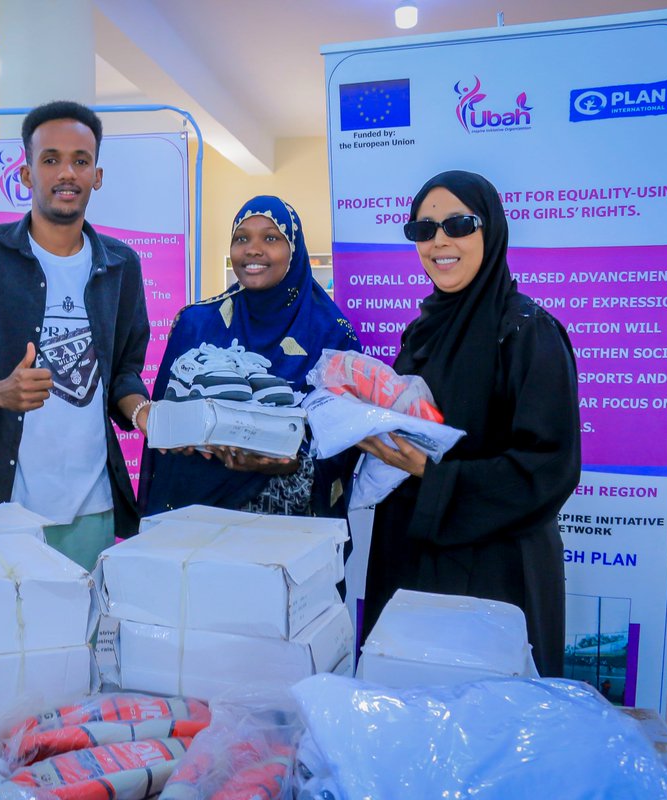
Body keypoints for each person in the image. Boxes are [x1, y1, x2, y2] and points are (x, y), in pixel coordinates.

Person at [357, 170, 581, 677]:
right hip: (412, 555)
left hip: (494, 570)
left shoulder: (527, 332)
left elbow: (549, 467)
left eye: (459, 223)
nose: (439, 240)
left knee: (489, 723)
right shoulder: (421, 332)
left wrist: (430, 476)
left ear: (492, 230)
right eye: (423, 229)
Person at [0, 101, 150, 570]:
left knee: (82, 638)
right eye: (50, 159)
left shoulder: (121, 265)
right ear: (27, 174)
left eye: (80, 161)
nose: (66, 172)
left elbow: (123, 373)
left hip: (92, 503)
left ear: (97, 175)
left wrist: (144, 413)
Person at [138, 195, 360, 517]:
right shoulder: (196, 323)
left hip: (284, 519)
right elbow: (165, 420)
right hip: (193, 514)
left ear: (294, 251)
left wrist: (290, 463)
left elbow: (345, 439)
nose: (253, 249)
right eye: (241, 238)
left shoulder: (330, 333)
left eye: (271, 238)